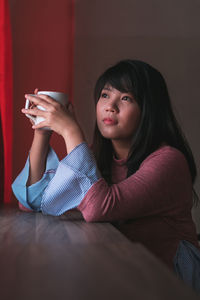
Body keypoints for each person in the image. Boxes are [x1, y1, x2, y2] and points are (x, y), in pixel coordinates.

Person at [12, 59, 200, 291]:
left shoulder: (169, 161)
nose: (110, 106)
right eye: (105, 95)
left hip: (168, 280)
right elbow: (34, 201)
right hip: (121, 273)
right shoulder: (97, 157)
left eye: (126, 98)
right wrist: (42, 131)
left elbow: (100, 207)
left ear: (148, 109)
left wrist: (71, 131)